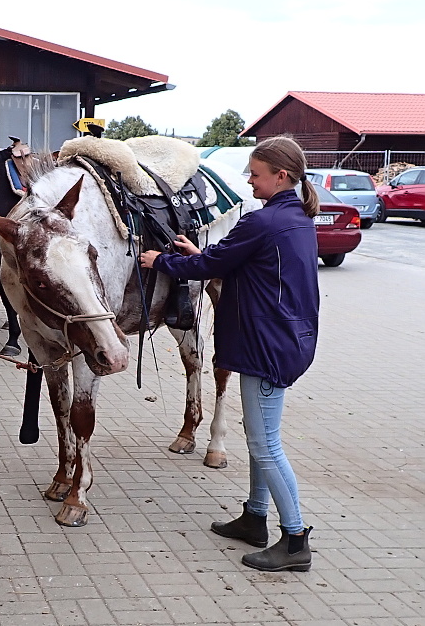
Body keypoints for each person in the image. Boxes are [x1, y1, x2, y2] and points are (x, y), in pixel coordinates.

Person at [139, 135, 320, 572]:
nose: (249, 181)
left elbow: (211, 267)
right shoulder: (294, 219)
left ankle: (295, 540)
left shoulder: (263, 222)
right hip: (284, 340)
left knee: (265, 444)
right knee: (261, 440)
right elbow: (239, 262)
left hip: (267, 347)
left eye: (255, 174)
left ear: (282, 176)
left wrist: (159, 262)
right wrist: (202, 253)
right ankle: (255, 518)